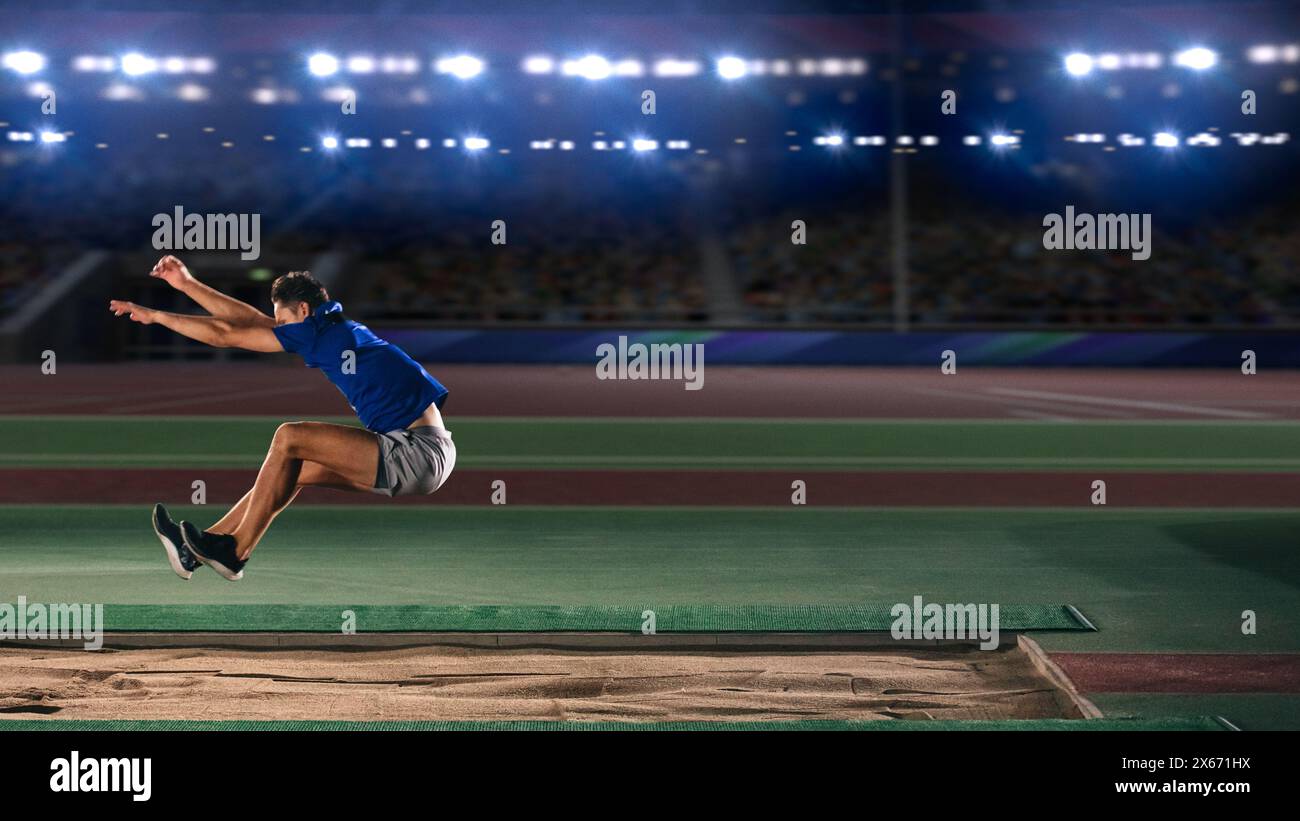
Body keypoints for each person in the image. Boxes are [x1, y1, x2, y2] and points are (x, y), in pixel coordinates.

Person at [110, 255, 454, 581]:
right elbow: (251, 320)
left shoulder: (321, 334)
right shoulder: (330, 327)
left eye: (284, 320)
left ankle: (235, 552)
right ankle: (196, 548)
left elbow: (225, 334)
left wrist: (157, 316)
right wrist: (186, 284)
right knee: (292, 471)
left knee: (289, 437)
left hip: (415, 452)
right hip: (425, 452)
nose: (279, 327)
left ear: (303, 309)